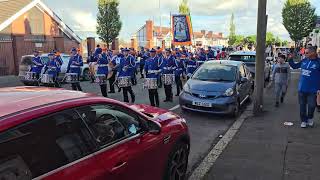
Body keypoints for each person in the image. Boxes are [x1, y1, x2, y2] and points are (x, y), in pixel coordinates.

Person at [288, 46, 320, 128]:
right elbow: (294, 66)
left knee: (312, 106)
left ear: (313, 53)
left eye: (306, 53)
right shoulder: (304, 60)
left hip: (313, 90)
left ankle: (310, 118)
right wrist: (290, 59)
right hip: (302, 88)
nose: (304, 54)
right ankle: (303, 121)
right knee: (302, 106)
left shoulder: (318, 62)